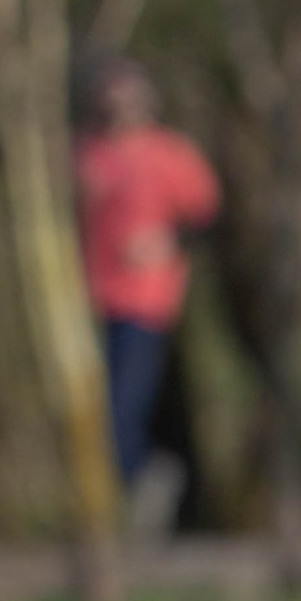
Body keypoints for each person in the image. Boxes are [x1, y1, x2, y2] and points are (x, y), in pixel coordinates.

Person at [74, 54, 223, 491]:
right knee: (90, 405)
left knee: (123, 403)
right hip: (89, 296)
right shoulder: (88, 154)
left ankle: (140, 482)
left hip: (144, 298)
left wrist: (165, 243)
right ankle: (124, 490)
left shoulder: (170, 155)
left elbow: (207, 220)